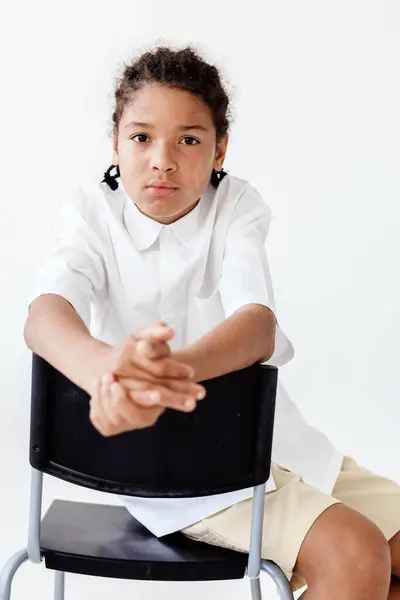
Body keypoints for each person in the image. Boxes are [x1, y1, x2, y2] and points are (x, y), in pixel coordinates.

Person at [24, 45, 400, 599]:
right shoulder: (90, 214)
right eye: (142, 137)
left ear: (220, 150)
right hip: (181, 474)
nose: (163, 159)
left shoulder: (237, 205)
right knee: (354, 554)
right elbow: (45, 315)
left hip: (277, 444)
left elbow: (256, 325)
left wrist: (170, 370)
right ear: (115, 144)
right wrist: (111, 371)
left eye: (190, 140)